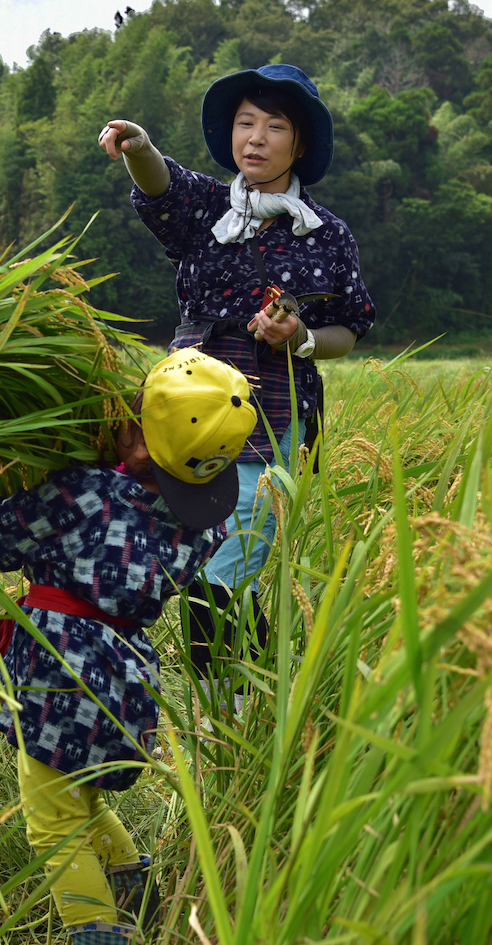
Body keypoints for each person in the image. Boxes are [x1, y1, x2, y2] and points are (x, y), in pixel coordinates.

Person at [98, 63, 375, 704]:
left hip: (269, 416)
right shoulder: (206, 210)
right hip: (179, 410)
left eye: (274, 126)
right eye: (245, 123)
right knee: (166, 561)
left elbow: (349, 329)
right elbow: (161, 185)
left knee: (223, 574)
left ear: (298, 143)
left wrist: (300, 336)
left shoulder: (327, 234)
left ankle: (234, 717)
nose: (255, 137)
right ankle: (215, 704)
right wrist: (139, 146)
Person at [0, 350, 256, 945]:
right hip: (124, 675)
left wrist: (23, 486)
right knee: (83, 798)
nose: (117, 416)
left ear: (143, 448)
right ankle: (134, 887)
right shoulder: (207, 524)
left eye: (129, 416)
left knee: (53, 824)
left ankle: (96, 932)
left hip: (61, 670)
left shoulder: (83, 495)